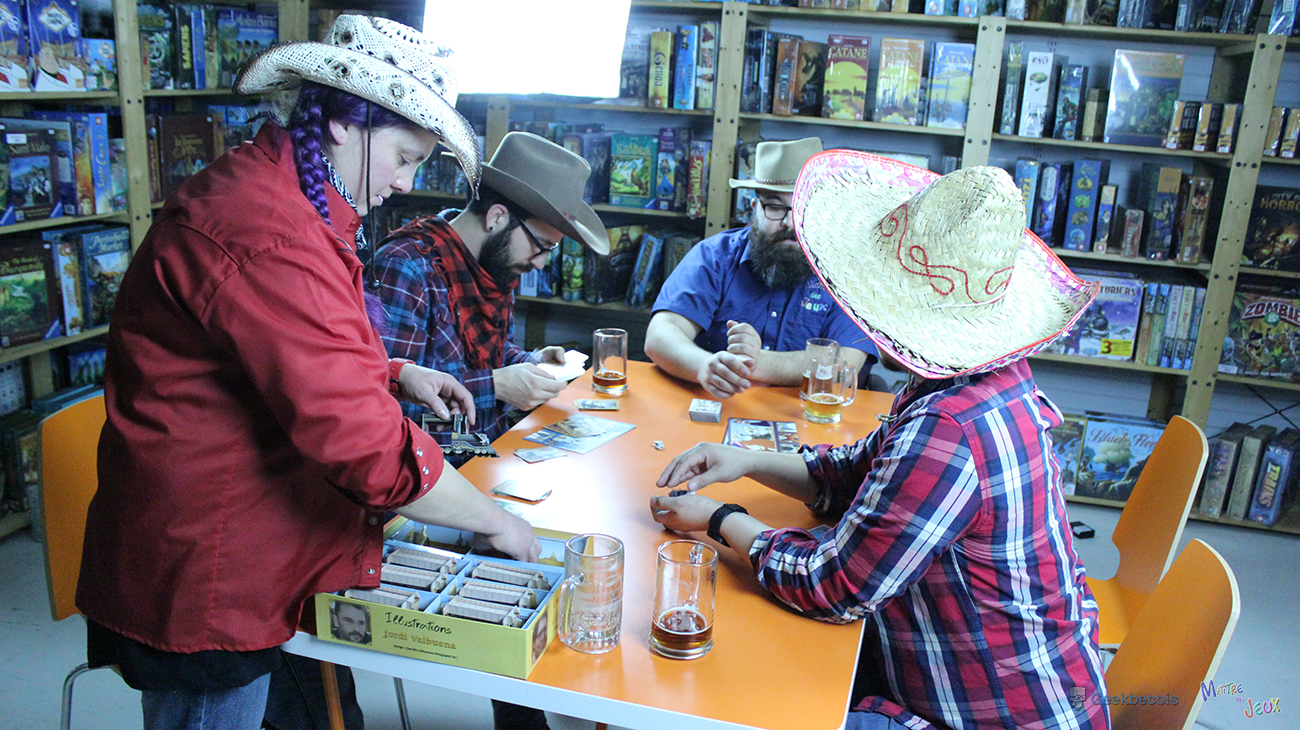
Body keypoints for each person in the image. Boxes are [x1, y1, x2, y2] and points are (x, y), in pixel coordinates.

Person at [75, 16, 541, 730]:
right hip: (212, 568)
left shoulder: (287, 195)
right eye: (404, 157)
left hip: (250, 542)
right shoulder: (271, 230)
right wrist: (495, 520)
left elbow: (278, 340)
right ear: (345, 122)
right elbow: (366, 447)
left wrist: (394, 370)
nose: (404, 184)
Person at [650, 155, 1110, 730]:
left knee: (750, 700)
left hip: (989, 715)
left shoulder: (949, 426)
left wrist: (719, 519)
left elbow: (831, 586)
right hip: (1023, 686)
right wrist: (742, 460)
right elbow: (860, 471)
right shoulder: (980, 378)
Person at [372, 131, 610, 460]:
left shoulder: (495, 265)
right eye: (541, 246)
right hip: (436, 472)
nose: (540, 263)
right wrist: (494, 386)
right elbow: (386, 408)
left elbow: (487, 356)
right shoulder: (406, 268)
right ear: (497, 218)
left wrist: (529, 363)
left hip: (490, 453)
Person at [645, 137, 875, 400]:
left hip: (806, 417)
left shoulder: (844, 274)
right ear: (754, 209)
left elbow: (847, 363)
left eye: (803, 208)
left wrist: (755, 362)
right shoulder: (714, 256)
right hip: (718, 406)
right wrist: (703, 366)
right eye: (775, 207)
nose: (790, 222)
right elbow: (660, 334)